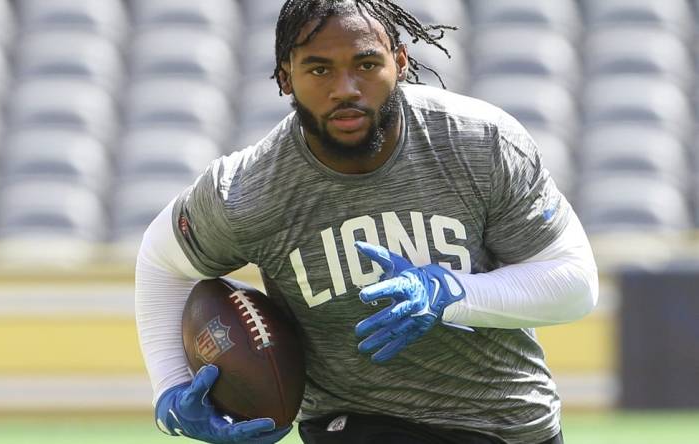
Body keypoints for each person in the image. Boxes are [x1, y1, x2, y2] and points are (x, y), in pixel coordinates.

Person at [135, 0, 599, 443]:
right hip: (355, 421)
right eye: (319, 70)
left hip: (509, 422)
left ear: (399, 61)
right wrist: (171, 388)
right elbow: (162, 262)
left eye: (366, 64)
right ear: (285, 78)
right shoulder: (246, 190)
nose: (346, 89)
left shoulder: (479, 143)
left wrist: (451, 293)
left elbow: (575, 284)